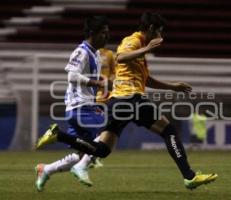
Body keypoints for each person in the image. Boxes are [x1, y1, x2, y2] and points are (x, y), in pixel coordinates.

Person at [36, 12, 218, 190]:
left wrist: (172, 87)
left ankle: (58, 135)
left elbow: (145, 79)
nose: (160, 36)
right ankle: (189, 176)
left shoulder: (138, 49)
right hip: (130, 99)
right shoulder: (133, 41)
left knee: (101, 150)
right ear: (151, 28)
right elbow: (120, 57)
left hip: (119, 102)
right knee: (168, 130)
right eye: (159, 31)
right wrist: (146, 49)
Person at [34, 15, 110, 191]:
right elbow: (71, 76)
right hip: (80, 106)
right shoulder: (82, 51)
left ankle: (45, 169)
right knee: (109, 131)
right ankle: (57, 135)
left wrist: (103, 83)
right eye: (103, 33)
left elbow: (90, 78)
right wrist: (95, 83)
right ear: (92, 33)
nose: (107, 36)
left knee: (87, 152)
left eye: (107, 32)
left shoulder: (96, 53)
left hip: (83, 105)